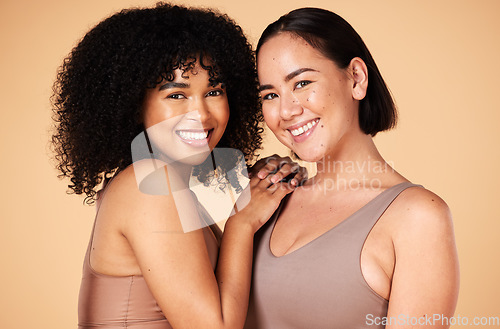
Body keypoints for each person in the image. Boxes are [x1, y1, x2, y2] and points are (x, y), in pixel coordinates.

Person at [51, 3, 305, 328]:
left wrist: (257, 185)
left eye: (213, 91)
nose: (200, 114)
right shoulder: (149, 185)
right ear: (132, 102)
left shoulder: (154, 180)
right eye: (176, 95)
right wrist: (242, 222)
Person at [245, 7, 459, 329]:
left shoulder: (417, 217)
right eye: (271, 94)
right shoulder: (266, 199)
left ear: (356, 78)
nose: (286, 111)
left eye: (302, 83)